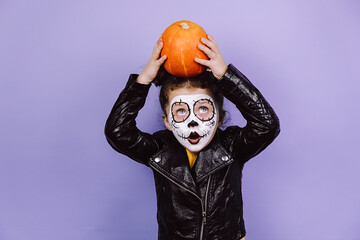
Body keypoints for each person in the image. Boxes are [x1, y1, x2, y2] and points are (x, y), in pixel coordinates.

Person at [105, 34, 280, 240]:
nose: (193, 121)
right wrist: (143, 80)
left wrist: (225, 75)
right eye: (180, 111)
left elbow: (267, 124)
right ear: (167, 121)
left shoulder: (232, 146)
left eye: (203, 109)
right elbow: (117, 131)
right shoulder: (159, 151)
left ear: (220, 118)